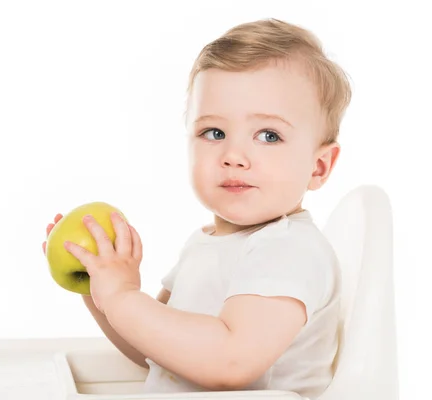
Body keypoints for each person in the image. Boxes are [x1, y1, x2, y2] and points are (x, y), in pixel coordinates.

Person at [41, 18, 352, 398]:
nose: (234, 155)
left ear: (318, 167)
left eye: (269, 135)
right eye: (214, 133)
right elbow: (155, 351)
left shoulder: (290, 250)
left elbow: (229, 362)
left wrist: (124, 297)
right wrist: (99, 289)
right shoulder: (204, 244)